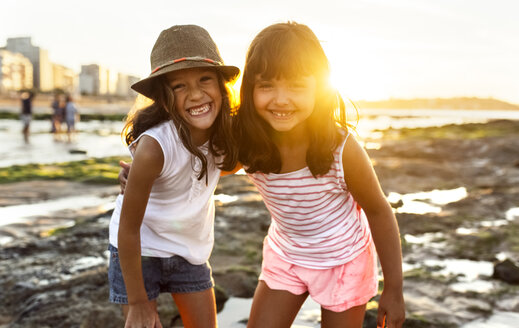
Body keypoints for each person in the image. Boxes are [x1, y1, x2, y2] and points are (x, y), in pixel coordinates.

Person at [234, 22, 405, 328]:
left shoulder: (341, 148)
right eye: (267, 85)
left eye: (297, 86)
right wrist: (141, 173)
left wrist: (393, 288)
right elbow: (197, 163)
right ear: (249, 88)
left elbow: (378, 210)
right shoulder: (244, 141)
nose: (281, 99)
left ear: (320, 89)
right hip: (285, 254)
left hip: (344, 260)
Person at [108, 25, 239, 328]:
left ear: (221, 87)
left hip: (188, 253)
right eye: (179, 86)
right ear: (165, 99)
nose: (195, 94)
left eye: (205, 79)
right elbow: (128, 229)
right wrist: (139, 303)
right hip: (138, 249)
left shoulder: (227, 138)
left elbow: (262, 156)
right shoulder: (155, 147)